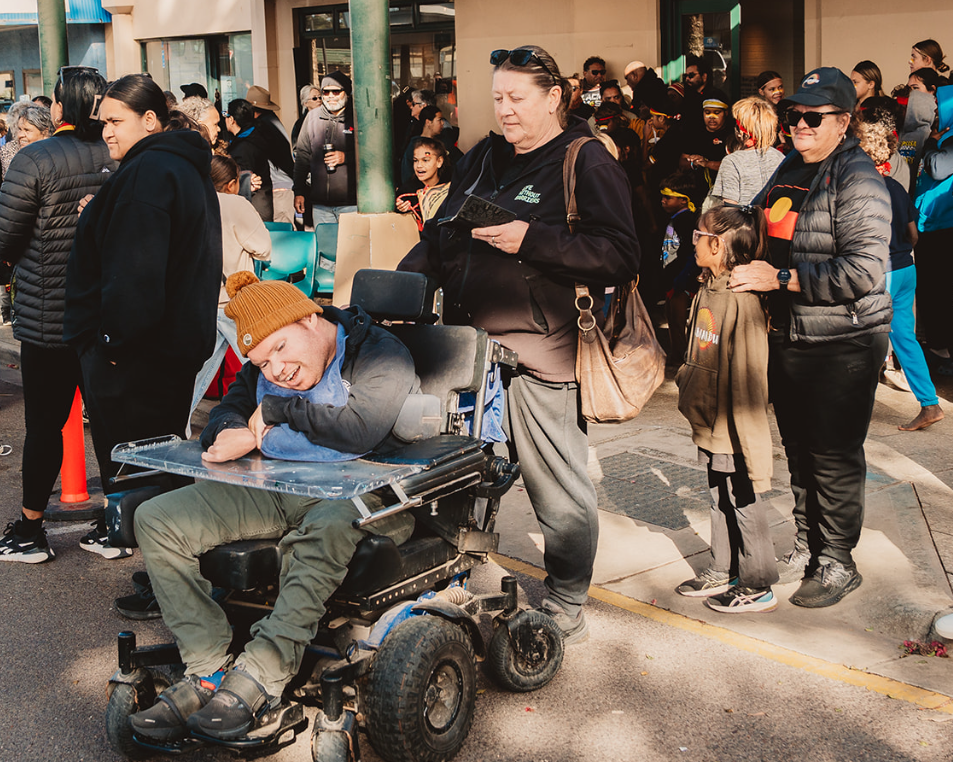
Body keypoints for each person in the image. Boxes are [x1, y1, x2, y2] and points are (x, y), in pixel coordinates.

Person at [400, 45, 640, 643]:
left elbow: (621, 255)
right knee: (450, 471)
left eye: (518, 99)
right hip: (465, 348)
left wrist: (532, 239)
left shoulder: (586, 161)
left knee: (555, 485)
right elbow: (443, 231)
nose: (504, 110)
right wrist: (397, 289)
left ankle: (565, 600)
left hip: (540, 351)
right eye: (498, 98)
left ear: (555, 97)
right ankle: (453, 567)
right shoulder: (485, 153)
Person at [126, 273, 418, 742]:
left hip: (365, 494)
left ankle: (262, 673)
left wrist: (277, 415)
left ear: (308, 317)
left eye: (281, 349)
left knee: (323, 531)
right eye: (262, 363)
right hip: (277, 486)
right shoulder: (262, 370)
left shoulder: (381, 352)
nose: (276, 371)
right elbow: (222, 417)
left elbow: (357, 431)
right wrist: (231, 430)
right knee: (156, 519)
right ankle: (207, 670)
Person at [729, 67, 892, 608]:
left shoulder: (858, 178)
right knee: (799, 450)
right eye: (794, 113)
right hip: (789, 333)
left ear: (843, 122)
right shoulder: (792, 166)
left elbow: (864, 271)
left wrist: (777, 279)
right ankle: (809, 542)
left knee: (834, 454)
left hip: (843, 340)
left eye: (813, 116)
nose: (799, 123)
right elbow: (760, 224)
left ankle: (838, 560)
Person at [64, 74, 222, 504]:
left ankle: (158, 558)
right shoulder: (178, 167)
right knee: (161, 466)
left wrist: (111, 343)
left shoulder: (149, 171)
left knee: (136, 473)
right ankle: (166, 560)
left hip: (134, 357)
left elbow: (135, 271)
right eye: (103, 122)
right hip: (165, 348)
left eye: (116, 121)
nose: (106, 131)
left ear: (150, 120)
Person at [0, 67, 118, 563]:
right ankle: (117, 523)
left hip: (48, 315)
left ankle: (31, 529)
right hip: (109, 317)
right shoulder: (120, 157)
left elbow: (5, 238)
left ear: (61, 106)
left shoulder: (35, 158)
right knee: (113, 422)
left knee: (45, 425)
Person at [675, 204, 778, 613]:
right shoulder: (709, 287)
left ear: (717, 245)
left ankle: (757, 582)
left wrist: (751, 443)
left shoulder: (741, 301)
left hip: (733, 425)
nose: (692, 241)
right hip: (709, 420)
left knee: (744, 497)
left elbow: (750, 379)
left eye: (698, 235)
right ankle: (724, 566)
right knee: (719, 494)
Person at [855, 107, 943, 430]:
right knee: (904, 337)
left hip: (884, 271)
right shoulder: (895, 187)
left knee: (864, 336)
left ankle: (853, 405)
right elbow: (913, 233)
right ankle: (930, 404)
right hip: (906, 268)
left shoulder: (863, 189)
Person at [188, 154, 271, 419]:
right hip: (235, 301)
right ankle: (274, 416)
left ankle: (176, 424)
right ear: (232, 183)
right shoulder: (236, 204)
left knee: (199, 372)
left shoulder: (191, 202)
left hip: (201, 301)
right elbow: (264, 249)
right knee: (261, 362)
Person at [912, 84, 953, 378]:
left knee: (939, 291)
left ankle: (942, 352)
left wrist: (929, 146)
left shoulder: (949, 139)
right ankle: (939, 348)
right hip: (930, 224)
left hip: (943, 227)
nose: (936, 111)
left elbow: (938, 168)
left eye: (940, 105)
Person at [293, 72, 357, 226]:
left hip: (351, 204)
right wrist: (299, 192)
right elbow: (302, 156)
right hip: (320, 205)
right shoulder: (312, 117)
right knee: (324, 249)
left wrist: (345, 157)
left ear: (346, 92)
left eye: (336, 91)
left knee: (350, 249)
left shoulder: (357, 117)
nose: (330, 96)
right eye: (325, 92)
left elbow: (372, 155)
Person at [703, 96, 784, 211]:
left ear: (742, 131)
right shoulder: (780, 158)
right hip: (774, 224)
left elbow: (730, 208)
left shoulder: (732, 161)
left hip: (744, 226)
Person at [659, 171, 700, 363]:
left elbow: (690, 252)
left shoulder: (688, 220)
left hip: (680, 279)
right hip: (671, 277)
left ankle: (682, 355)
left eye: (668, 197)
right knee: (671, 318)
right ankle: (676, 352)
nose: (663, 201)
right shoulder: (675, 218)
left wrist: (682, 279)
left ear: (683, 200)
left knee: (678, 320)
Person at [395, 137, 450, 231]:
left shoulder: (450, 187)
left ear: (439, 161)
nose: (419, 166)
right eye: (415, 160)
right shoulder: (406, 192)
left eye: (425, 160)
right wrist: (401, 209)